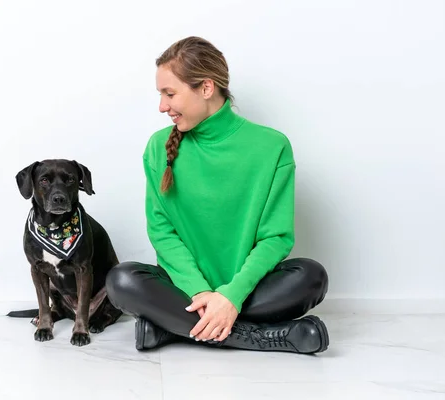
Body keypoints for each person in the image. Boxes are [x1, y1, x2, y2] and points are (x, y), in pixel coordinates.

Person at [105, 36, 329, 354]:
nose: (162, 106)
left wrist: (230, 296)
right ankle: (268, 337)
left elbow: (276, 237)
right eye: (160, 95)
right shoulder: (158, 147)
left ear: (206, 88)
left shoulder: (272, 147)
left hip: (248, 290)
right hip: (183, 290)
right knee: (121, 280)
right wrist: (199, 290)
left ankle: (174, 329)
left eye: (170, 94)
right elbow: (162, 232)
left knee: (311, 276)